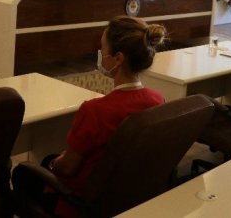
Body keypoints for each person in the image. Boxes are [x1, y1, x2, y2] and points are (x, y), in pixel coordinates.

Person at [12, 16, 166, 217]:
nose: (100, 53)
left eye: (103, 48)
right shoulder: (157, 99)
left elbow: (67, 168)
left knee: (23, 173)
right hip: (125, 195)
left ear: (118, 58)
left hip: (81, 203)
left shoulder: (95, 111)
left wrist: (54, 163)